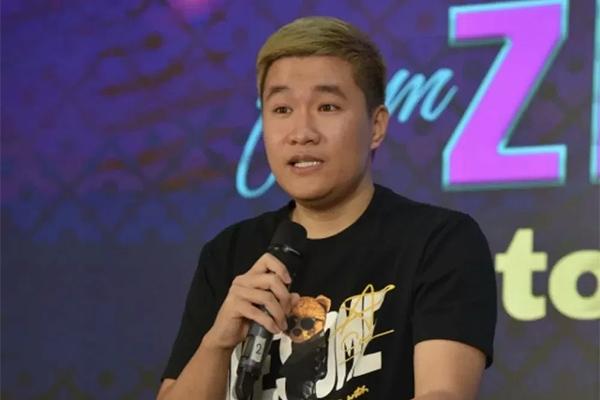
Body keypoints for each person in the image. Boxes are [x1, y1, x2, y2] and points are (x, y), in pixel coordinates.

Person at [157, 16, 496, 400]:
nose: (302, 133)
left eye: (328, 106)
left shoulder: (437, 242)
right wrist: (218, 343)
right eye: (281, 109)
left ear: (376, 126)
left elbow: (444, 392)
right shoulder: (229, 253)